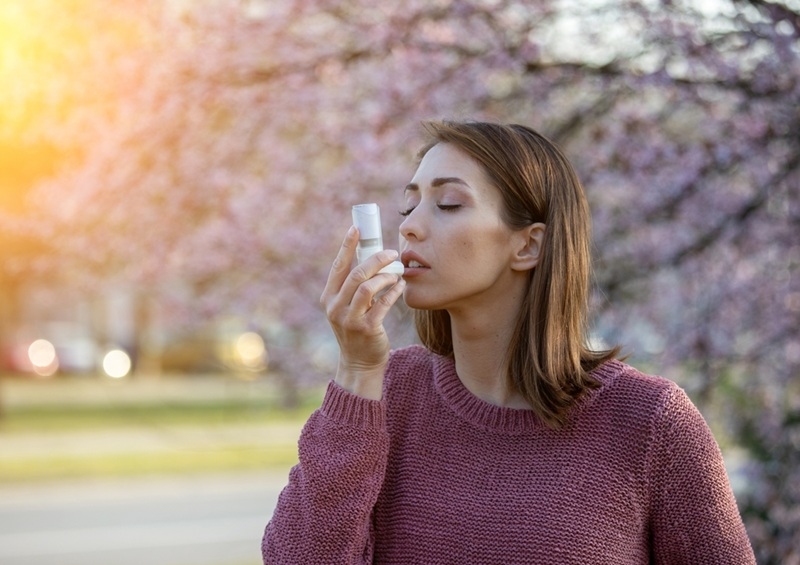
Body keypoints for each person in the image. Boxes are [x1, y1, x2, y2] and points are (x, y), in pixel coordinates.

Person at [261, 120, 756, 564]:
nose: (409, 225)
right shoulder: (384, 397)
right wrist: (356, 372)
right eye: (408, 205)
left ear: (528, 245)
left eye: (448, 204)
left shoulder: (649, 422)